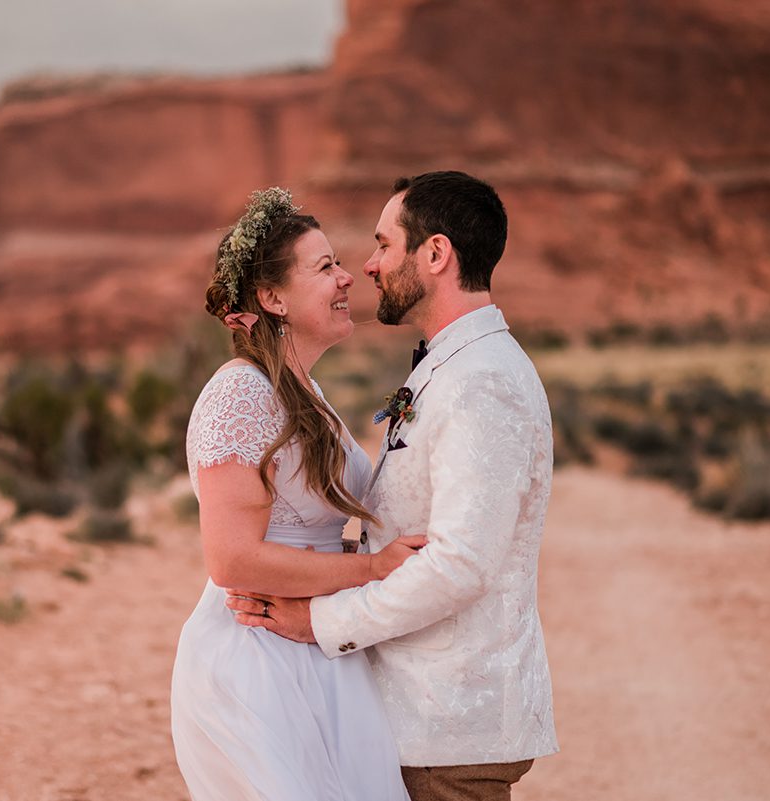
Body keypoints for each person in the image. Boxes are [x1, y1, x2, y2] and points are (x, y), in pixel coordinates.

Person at [227, 171, 559, 801]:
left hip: (450, 726)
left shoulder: (481, 381)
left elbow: (462, 564)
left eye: (384, 244)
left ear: (435, 254)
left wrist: (318, 621)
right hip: (419, 718)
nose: (369, 267)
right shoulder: (450, 366)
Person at [170, 187, 423, 800]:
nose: (346, 279)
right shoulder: (241, 396)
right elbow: (231, 560)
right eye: (326, 267)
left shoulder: (303, 395)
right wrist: (372, 570)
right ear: (272, 298)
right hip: (259, 657)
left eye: (340, 264)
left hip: (314, 641)